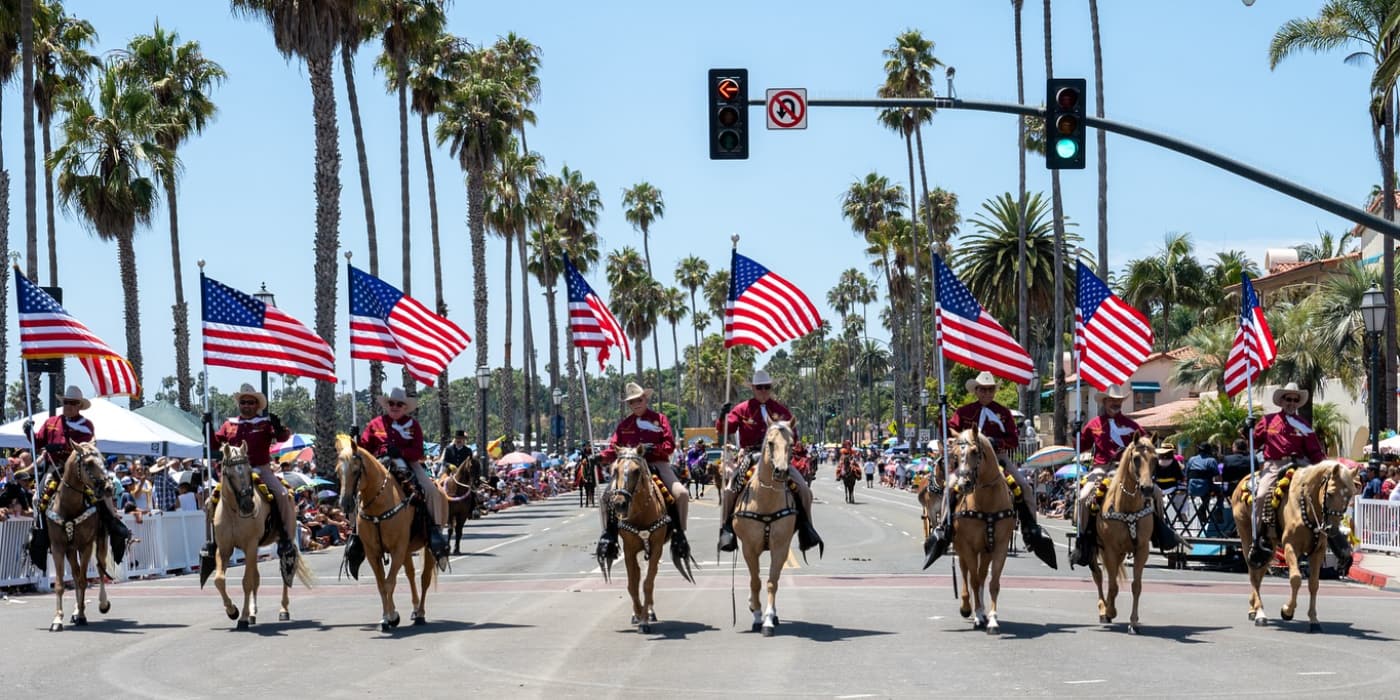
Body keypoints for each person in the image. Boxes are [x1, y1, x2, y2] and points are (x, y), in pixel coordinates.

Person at [925, 371, 1056, 569]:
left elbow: (1013, 439)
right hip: (970, 460)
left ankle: (1032, 531)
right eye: (983, 389)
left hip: (998, 460)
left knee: (1024, 488)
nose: (987, 393)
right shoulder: (964, 412)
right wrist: (942, 413)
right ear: (976, 391)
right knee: (949, 488)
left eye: (990, 389)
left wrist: (997, 441)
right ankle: (944, 529)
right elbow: (948, 431)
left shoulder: (1004, 413)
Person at [1070, 385, 1180, 568]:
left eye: (1119, 401)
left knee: (1158, 493)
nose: (1116, 404)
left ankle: (1161, 533)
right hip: (1102, 469)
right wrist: (1075, 433)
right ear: (1104, 402)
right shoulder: (1094, 424)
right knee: (1083, 497)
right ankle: (1083, 540)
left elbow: (1146, 446)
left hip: (1128, 471)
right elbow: (1081, 447)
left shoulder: (1132, 426)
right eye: (1112, 400)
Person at [714, 370, 821, 554]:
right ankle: (726, 530)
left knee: (804, 490)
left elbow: (792, 434)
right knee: (729, 490)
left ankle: (807, 529)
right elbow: (727, 428)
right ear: (753, 389)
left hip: (777, 457)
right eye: (759, 387)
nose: (763, 391)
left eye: (767, 387)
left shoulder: (780, 410)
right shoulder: (742, 409)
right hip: (750, 455)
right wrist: (722, 417)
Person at [28, 385, 133, 563]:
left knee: (102, 494)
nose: (68, 406)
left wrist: (63, 447)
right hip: (56, 468)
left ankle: (115, 526)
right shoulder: (51, 422)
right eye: (66, 402)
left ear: (79, 406)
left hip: (79, 469)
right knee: (38, 497)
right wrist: (28, 432)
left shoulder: (86, 426)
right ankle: (40, 534)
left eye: (72, 403)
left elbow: (87, 447)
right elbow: (37, 443)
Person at [595, 382, 691, 562]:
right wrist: (599, 457)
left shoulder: (660, 419)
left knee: (682, 494)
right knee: (606, 497)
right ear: (629, 405)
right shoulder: (624, 425)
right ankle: (609, 535)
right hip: (630, 467)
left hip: (656, 462)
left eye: (639, 400)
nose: (636, 404)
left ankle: (679, 535)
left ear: (645, 399)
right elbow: (613, 449)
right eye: (632, 402)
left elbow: (669, 446)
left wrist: (653, 448)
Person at [206, 384, 299, 561]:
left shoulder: (264, 423)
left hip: (261, 469)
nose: (246, 405)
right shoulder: (229, 424)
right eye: (243, 402)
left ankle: (286, 538)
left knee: (282, 494)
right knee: (210, 502)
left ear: (257, 405)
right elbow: (214, 444)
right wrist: (207, 427)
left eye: (250, 402)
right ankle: (211, 542)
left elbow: (282, 437)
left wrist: (279, 428)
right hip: (234, 472)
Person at [358, 387, 452, 560]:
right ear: (387, 405)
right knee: (356, 491)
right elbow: (365, 447)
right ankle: (356, 536)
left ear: (404, 407)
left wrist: (401, 452)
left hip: (408, 464)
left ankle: (435, 531)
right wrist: (356, 442)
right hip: (380, 463)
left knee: (431, 490)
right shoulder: (375, 424)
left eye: (399, 404)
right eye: (392, 403)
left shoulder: (413, 426)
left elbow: (417, 451)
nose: (395, 406)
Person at [1248, 382, 1327, 567]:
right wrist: (1248, 429)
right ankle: (1258, 539)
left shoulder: (1304, 425)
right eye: (1288, 399)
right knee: (1260, 496)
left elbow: (1314, 451)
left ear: (1298, 403)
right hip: (1274, 465)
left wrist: (1323, 466)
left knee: (1320, 495)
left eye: (1295, 399)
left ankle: (1322, 536)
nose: (1291, 402)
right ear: (1281, 401)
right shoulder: (1268, 421)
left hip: (1300, 464)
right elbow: (1254, 444)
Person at [1185, 443, 1220, 528]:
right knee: (1221, 492)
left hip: (1191, 488)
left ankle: (1203, 511)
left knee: (1206, 494)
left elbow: (1186, 474)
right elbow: (1217, 475)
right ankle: (1218, 510)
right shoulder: (1211, 460)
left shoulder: (1191, 459)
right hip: (1205, 488)